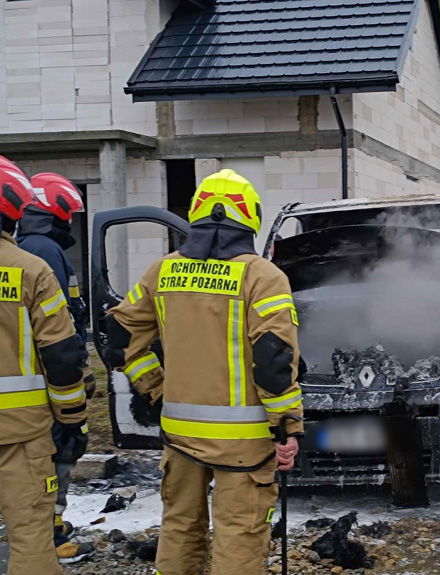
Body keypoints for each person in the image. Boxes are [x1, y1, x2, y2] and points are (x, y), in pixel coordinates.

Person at [106, 169, 303, 575]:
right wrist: (286, 426)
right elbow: (273, 360)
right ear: (250, 217)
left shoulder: (161, 272)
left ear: (196, 214)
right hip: (244, 442)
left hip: (179, 434)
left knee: (179, 526)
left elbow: (120, 337)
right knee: (239, 533)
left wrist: (155, 388)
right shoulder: (263, 276)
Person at [0, 159, 88, 574]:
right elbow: (61, 353)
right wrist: (72, 419)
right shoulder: (29, 268)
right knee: (32, 536)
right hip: (20, 430)